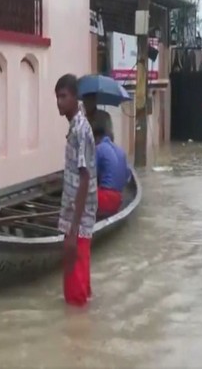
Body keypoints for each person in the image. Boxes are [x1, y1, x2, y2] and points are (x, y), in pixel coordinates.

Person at [55, 74, 98, 307]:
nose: (59, 102)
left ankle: (77, 338)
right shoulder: (76, 127)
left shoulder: (80, 129)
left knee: (75, 294)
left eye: (63, 96)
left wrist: (73, 230)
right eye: (57, 97)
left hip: (79, 220)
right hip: (76, 216)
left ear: (74, 98)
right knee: (78, 284)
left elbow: (84, 178)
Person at [93, 124, 131, 217]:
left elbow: (89, 175)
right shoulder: (121, 151)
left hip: (104, 200)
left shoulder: (99, 148)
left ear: (96, 138)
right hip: (118, 199)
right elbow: (128, 178)